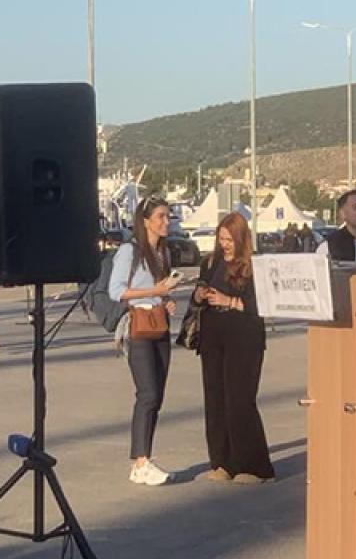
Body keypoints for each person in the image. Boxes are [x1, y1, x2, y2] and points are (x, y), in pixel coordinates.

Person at [193, 212, 274, 483]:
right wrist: (201, 294)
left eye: (229, 239)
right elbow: (200, 287)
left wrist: (229, 301)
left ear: (240, 239)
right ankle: (222, 462)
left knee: (240, 400)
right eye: (221, 239)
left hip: (244, 336)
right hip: (214, 335)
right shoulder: (212, 261)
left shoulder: (254, 266)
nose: (224, 244)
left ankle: (254, 466)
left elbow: (261, 305)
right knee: (215, 399)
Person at [108, 196, 183, 486]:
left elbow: (159, 290)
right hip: (138, 326)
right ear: (146, 220)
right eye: (161, 216)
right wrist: (154, 290)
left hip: (159, 324)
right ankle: (140, 461)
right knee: (147, 393)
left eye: (168, 216)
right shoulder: (130, 251)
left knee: (157, 396)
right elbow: (117, 291)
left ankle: (143, 460)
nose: (166, 221)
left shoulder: (162, 252)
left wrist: (165, 299)